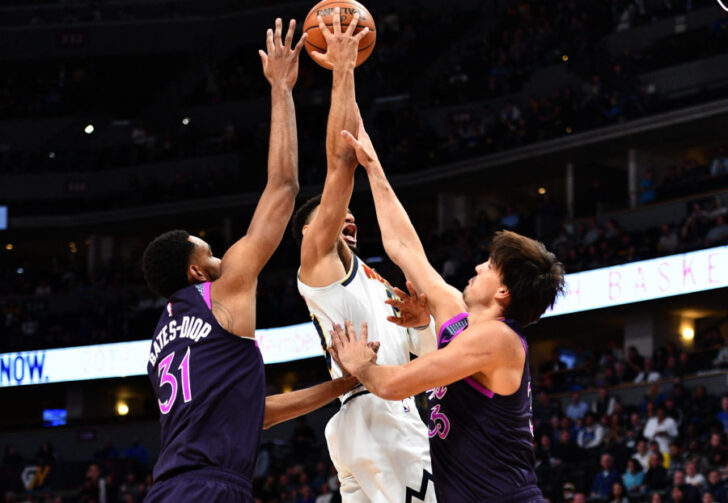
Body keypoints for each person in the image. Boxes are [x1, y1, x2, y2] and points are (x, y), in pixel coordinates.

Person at [141, 20, 359, 503]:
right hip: (209, 488)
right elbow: (283, 188)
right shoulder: (221, 291)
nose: (224, 257)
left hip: (171, 489)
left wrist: (342, 385)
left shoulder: (160, 340)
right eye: (211, 253)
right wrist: (282, 88)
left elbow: (255, 413)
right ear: (197, 272)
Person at [330, 117, 565, 501]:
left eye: (489, 266)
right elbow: (405, 249)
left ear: (503, 290)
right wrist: (373, 167)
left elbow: (393, 385)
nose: (477, 267)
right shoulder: (459, 319)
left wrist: (361, 366)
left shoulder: (498, 339)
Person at [291, 8, 437, 502]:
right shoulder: (317, 260)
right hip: (379, 415)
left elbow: (427, 359)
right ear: (312, 231)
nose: (350, 220)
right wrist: (344, 70)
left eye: (354, 219)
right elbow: (341, 160)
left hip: (368, 418)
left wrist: (419, 324)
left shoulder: (373, 280)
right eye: (338, 217)